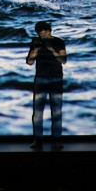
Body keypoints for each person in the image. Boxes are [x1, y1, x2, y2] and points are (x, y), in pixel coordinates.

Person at [26, 21, 66, 150]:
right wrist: (36, 50)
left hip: (56, 79)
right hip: (40, 79)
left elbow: (63, 60)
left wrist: (50, 49)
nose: (43, 34)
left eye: (45, 32)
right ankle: (38, 141)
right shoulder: (35, 42)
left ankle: (57, 141)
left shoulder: (58, 42)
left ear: (50, 31)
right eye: (41, 33)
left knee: (57, 112)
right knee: (37, 113)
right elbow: (29, 62)